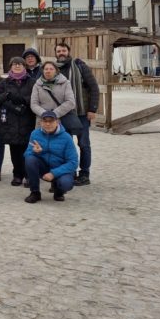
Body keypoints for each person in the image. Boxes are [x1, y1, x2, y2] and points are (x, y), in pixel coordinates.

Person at [55, 43, 99, 186]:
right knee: (65, 145)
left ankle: (84, 173)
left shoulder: (80, 67)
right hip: (63, 114)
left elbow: (94, 87)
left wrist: (92, 109)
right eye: (59, 51)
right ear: (55, 53)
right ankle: (70, 172)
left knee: (84, 144)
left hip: (81, 113)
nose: (61, 53)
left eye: (64, 50)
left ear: (68, 51)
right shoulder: (54, 69)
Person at [0, 57, 36, 187]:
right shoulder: (4, 83)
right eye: (14, 64)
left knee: (28, 150)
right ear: (10, 66)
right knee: (15, 150)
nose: (17, 66)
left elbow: (36, 97)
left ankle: (29, 175)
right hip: (10, 122)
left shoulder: (32, 82)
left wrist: (22, 100)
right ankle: (17, 175)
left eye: (20, 64)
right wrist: (6, 96)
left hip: (27, 120)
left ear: (24, 66)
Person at [23, 111, 78, 203]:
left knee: (66, 183)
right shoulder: (35, 134)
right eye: (45, 121)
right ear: (41, 122)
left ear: (57, 122)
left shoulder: (66, 137)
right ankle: (35, 192)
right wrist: (34, 151)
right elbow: (27, 154)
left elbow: (73, 162)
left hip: (61, 169)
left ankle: (59, 191)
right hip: (44, 167)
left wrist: (54, 173)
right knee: (30, 159)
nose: (48, 124)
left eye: (51, 121)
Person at [30, 61, 77, 129]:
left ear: (56, 71)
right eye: (46, 69)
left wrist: (54, 114)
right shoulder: (37, 85)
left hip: (60, 121)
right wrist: (45, 114)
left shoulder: (65, 83)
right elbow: (34, 104)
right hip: (42, 121)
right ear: (43, 71)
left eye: (51, 69)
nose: (48, 71)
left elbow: (70, 102)